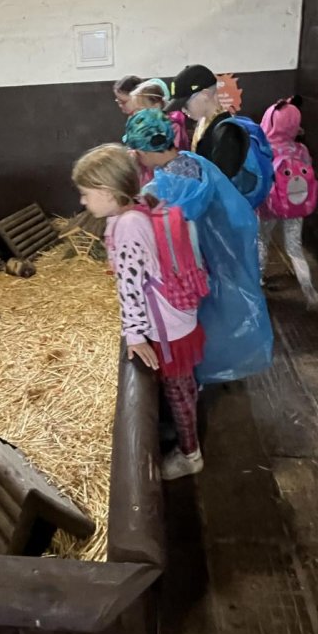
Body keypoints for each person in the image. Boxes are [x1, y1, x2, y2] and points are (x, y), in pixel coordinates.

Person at [72, 143, 206, 480]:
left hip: (167, 325)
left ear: (107, 191)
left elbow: (130, 286)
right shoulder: (138, 206)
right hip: (175, 313)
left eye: (86, 194)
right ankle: (181, 424)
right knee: (181, 384)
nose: (83, 201)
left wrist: (134, 334)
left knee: (177, 388)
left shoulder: (128, 225)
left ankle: (190, 454)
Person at [123, 109, 273, 384]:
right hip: (216, 258)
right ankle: (209, 366)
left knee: (202, 319)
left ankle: (197, 374)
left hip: (191, 268)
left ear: (143, 150)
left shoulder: (162, 188)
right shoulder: (194, 161)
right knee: (218, 315)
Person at [258, 99, 318, 308]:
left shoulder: (265, 148)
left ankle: (258, 283)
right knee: (294, 248)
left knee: (262, 241)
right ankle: (309, 290)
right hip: (295, 204)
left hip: (269, 205)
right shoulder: (301, 149)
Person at [164, 64, 248, 180]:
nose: (183, 110)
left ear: (205, 94)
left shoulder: (228, 132)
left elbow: (223, 182)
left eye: (185, 104)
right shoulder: (203, 125)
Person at [127, 78, 190, 150]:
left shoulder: (172, 126)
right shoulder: (142, 126)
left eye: (140, 110)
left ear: (156, 106)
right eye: (135, 110)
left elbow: (170, 152)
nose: (136, 114)